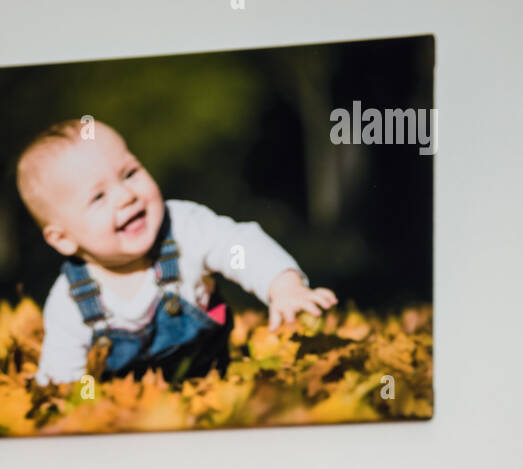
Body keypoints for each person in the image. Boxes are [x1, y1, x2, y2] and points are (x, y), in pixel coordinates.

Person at [17, 120, 338, 386]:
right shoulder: (70, 301)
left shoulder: (183, 229)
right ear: (62, 239)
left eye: (129, 174)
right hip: (132, 414)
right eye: (98, 197)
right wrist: (83, 409)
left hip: (213, 386)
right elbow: (65, 377)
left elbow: (237, 246)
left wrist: (281, 284)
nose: (126, 196)